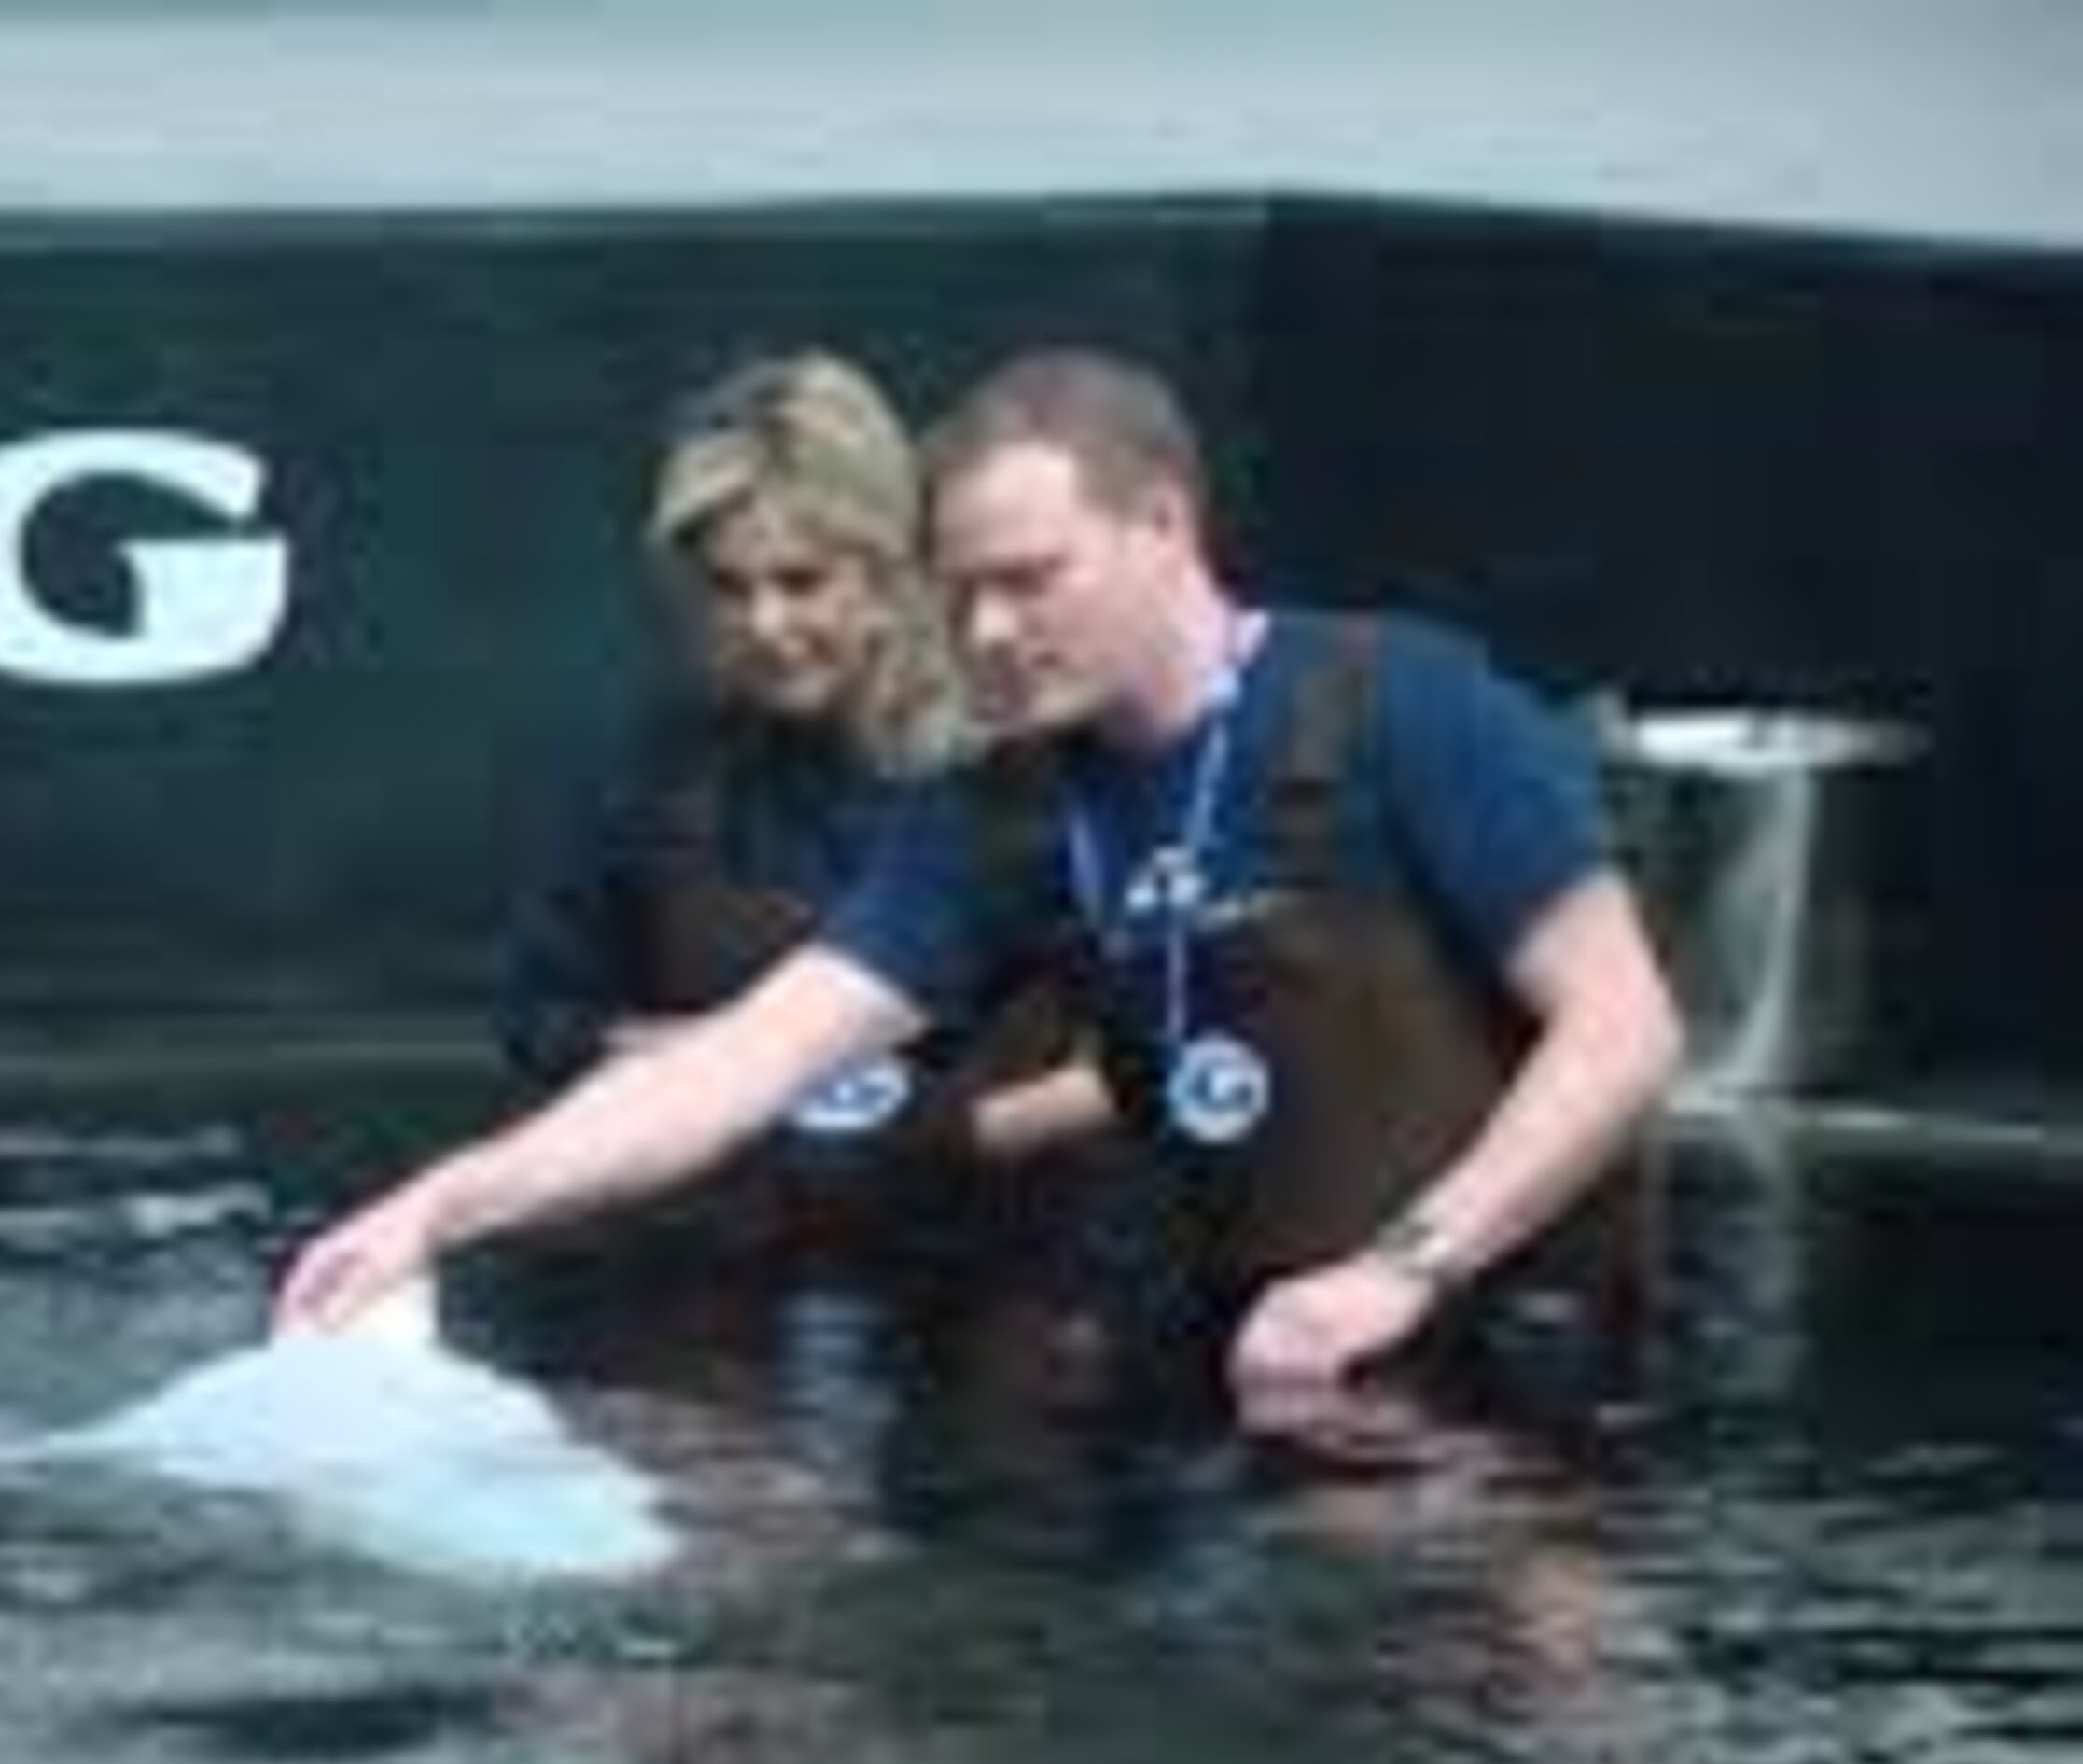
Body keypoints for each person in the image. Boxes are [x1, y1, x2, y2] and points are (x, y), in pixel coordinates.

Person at [279, 346, 1685, 1417]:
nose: (991, 632)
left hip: (1515, 1363)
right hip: (1267, 1381)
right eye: (962, 595)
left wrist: (1405, 1270)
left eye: (1033, 579)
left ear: (1165, 526)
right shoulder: (1001, 815)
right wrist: (438, 1207)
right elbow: (733, 1069)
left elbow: (1625, 1030)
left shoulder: (1406, 705)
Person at [496, 351, 1103, 1222]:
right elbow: (539, 1015)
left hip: (1000, 1242)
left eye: (801, 582)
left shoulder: (1030, 767)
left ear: (890, 573)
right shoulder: (662, 772)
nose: (765, 625)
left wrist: (957, 1132)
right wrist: (708, 1063)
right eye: (728, 589)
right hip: (731, 1238)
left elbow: (1169, 1042)